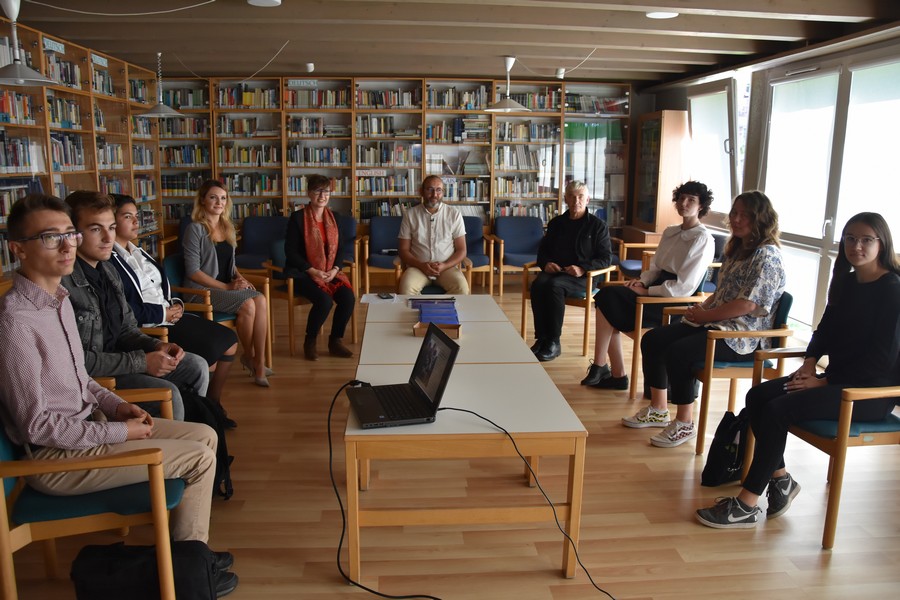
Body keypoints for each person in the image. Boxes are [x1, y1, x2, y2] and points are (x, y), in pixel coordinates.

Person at [0, 194, 238, 595]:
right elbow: (37, 427)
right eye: (50, 237)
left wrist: (117, 405)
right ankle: (188, 573)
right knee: (198, 458)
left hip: (87, 429)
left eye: (70, 235)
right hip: (54, 458)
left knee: (206, 436)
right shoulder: (15, 323)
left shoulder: (57, 300)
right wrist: (119, 432)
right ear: (18, 248)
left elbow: (82, 378)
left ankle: (186, 559)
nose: (67, 246)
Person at [696, 212, 900, 528]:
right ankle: (781, 479)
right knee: (758, 396)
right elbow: (825, 330)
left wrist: (823, 383)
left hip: (869, 394)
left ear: (882, 243)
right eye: (850, 238)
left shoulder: (892, 290)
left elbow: (881, 360)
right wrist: (808, 364)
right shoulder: (847, 282)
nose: (856, 246)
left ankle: (747, 503)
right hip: (836, 381)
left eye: (865, 240)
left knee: (778, 410)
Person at [622, 191, 786, 448]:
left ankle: (685, 422)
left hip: (742, 338)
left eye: (745, 215)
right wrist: (701, 308)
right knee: (653, 339)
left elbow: (748, 304)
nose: (736, 219)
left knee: (680, 351)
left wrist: (706, 315)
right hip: (717, 323)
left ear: (761, 219)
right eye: (734, 213)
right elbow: (722, 293)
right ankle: (658, 409)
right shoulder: (737, 248)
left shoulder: (767, 255)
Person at [61, 191, 210, 422]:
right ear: (73, 234)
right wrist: (142, 361)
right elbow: (77, 361)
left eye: (111, 228)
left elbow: (126, 329)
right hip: (98, 377)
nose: (107, 238)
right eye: (95, 229)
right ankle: (172, 440)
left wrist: (157, 345)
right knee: (170, 394)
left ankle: (196, 430)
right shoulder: (64, 284)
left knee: (196, 366)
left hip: (123, 359)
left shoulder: (109, 270)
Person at [109, 193, 240, 427]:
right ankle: (204, 409)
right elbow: (127, 310)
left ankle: (211, 404)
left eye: (137, 216)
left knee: (228, 338)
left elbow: (161, 288)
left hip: (171, 317)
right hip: (153, 326)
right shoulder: (111, 261)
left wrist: (176, 304)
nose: (137, 222)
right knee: (212, 349)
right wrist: (164, 313)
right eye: (128, 217)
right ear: (112, 221)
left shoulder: (139, 252)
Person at [582, 181, 715, 388]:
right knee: (606, 296)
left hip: (673, 301)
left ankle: (609, 371)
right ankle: (610, 371)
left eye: (691, 200)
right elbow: (656, 267)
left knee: (607, 299)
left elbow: (684, 287)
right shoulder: (671, 232)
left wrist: (647, 290)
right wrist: (641, 281)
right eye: (681, 198)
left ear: (701, 206)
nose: (684, 203)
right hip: (656, 288)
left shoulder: (702, 238)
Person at [182, 180, 271, 387]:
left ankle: (259, 361)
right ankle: (250, 357)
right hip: (201, 291)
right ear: (202, 201)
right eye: (213, 197)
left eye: (223, 198)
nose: (219, 202)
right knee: (248, 305)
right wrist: (227, 287)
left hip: (225, 287)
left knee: (260, 300)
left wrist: (240, 278)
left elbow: (229, 264)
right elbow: (193, 272)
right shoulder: (195, 229)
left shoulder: (227, 227)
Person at [528, 180, 612, 362]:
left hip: (584, 276)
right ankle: (541, 339)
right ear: (565, 199)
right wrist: (546, 263)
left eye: (580, 197)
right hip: (556, 271)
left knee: (553, 286)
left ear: (587, 199)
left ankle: (554, 342)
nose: (576, 201)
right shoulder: (556, 223)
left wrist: (583, 268)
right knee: (538, 285)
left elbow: (606, 258)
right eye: (572, 197)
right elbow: (543, 251)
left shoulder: (598, 226)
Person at [284, 174, 356, 361]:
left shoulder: (335, 218)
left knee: (348, 298)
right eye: (318, 191)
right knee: (324, 301)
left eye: (326, 191)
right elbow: (290, 252)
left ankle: (335, 341)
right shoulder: (298, 218)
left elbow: (340, 249)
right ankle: (310, 341)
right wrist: (312, 270)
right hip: (303, 273)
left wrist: (335, 270)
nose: (322, 195)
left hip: (330, 272)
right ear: (309, 193)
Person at [397, 175, 469, 296]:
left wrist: (445, 265)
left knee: (462, 288)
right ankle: (420, 308)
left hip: (446, 268)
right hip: (418, 268)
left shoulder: (454, 214)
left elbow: (462, 250)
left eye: (438, 190)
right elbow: (403, 250)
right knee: (406, 288)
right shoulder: (410, 215)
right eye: (430, 189)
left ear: (443, 192)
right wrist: (421, 265)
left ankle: (441, 309)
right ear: (421, 191)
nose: (434, 194)